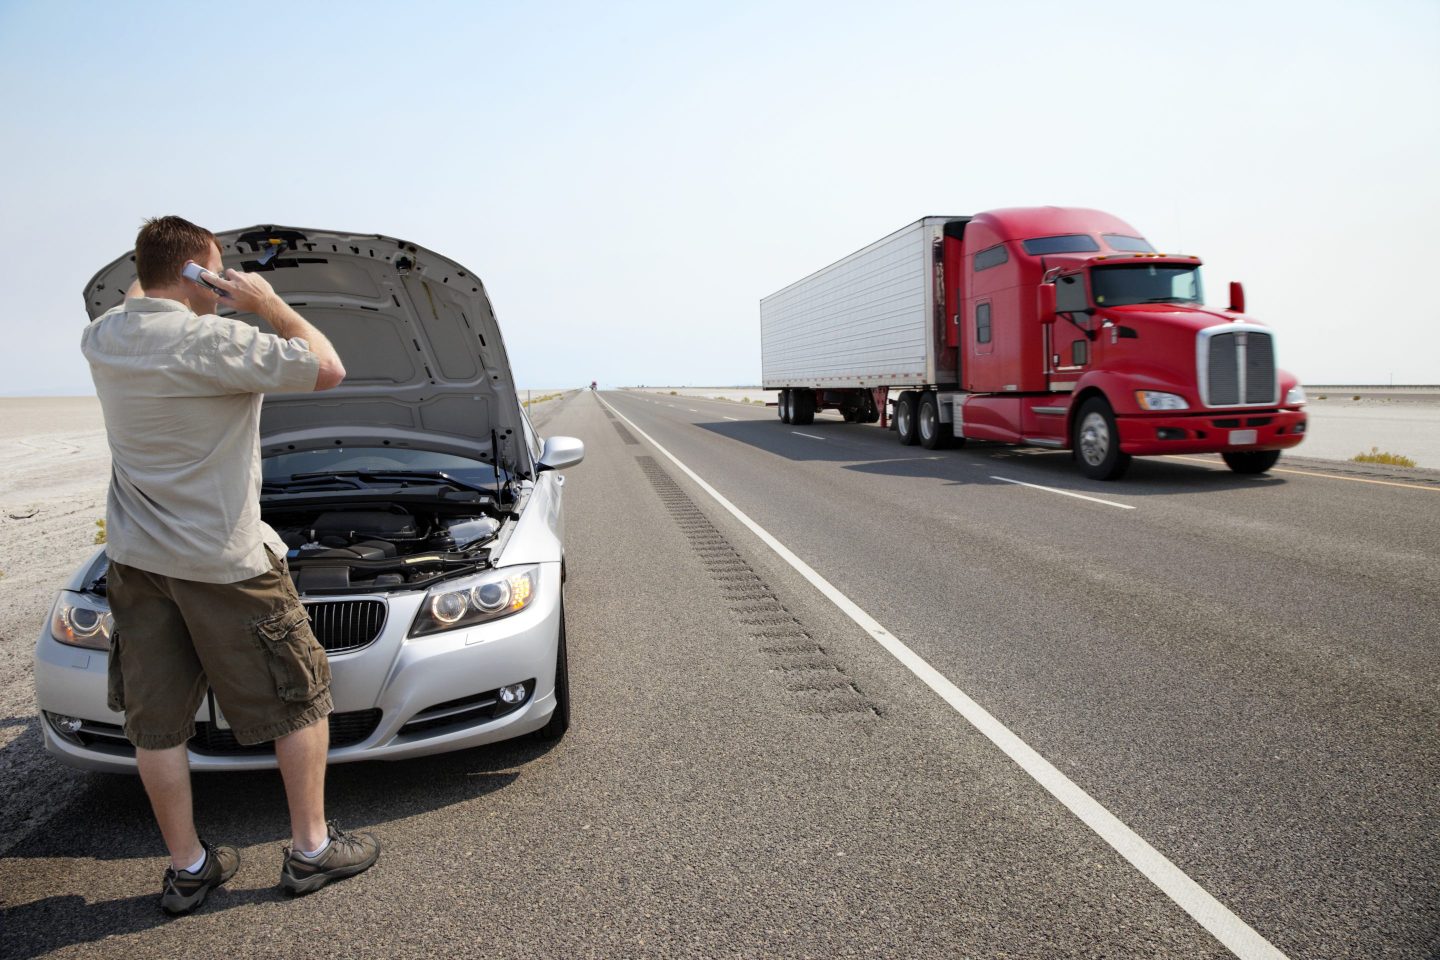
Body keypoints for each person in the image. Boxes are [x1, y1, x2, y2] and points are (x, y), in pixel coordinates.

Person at [81, 216, 379, 914]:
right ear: (197, 276)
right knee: (297, 698)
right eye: (210, 275)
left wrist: (184, 275)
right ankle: (311, 851)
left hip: (138, 564)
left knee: (155, 724)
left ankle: (189, 868)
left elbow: (141, 292)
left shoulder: (103, 339)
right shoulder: (213, 341)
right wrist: (264, 302)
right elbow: (329, 367)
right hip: (226, 565)